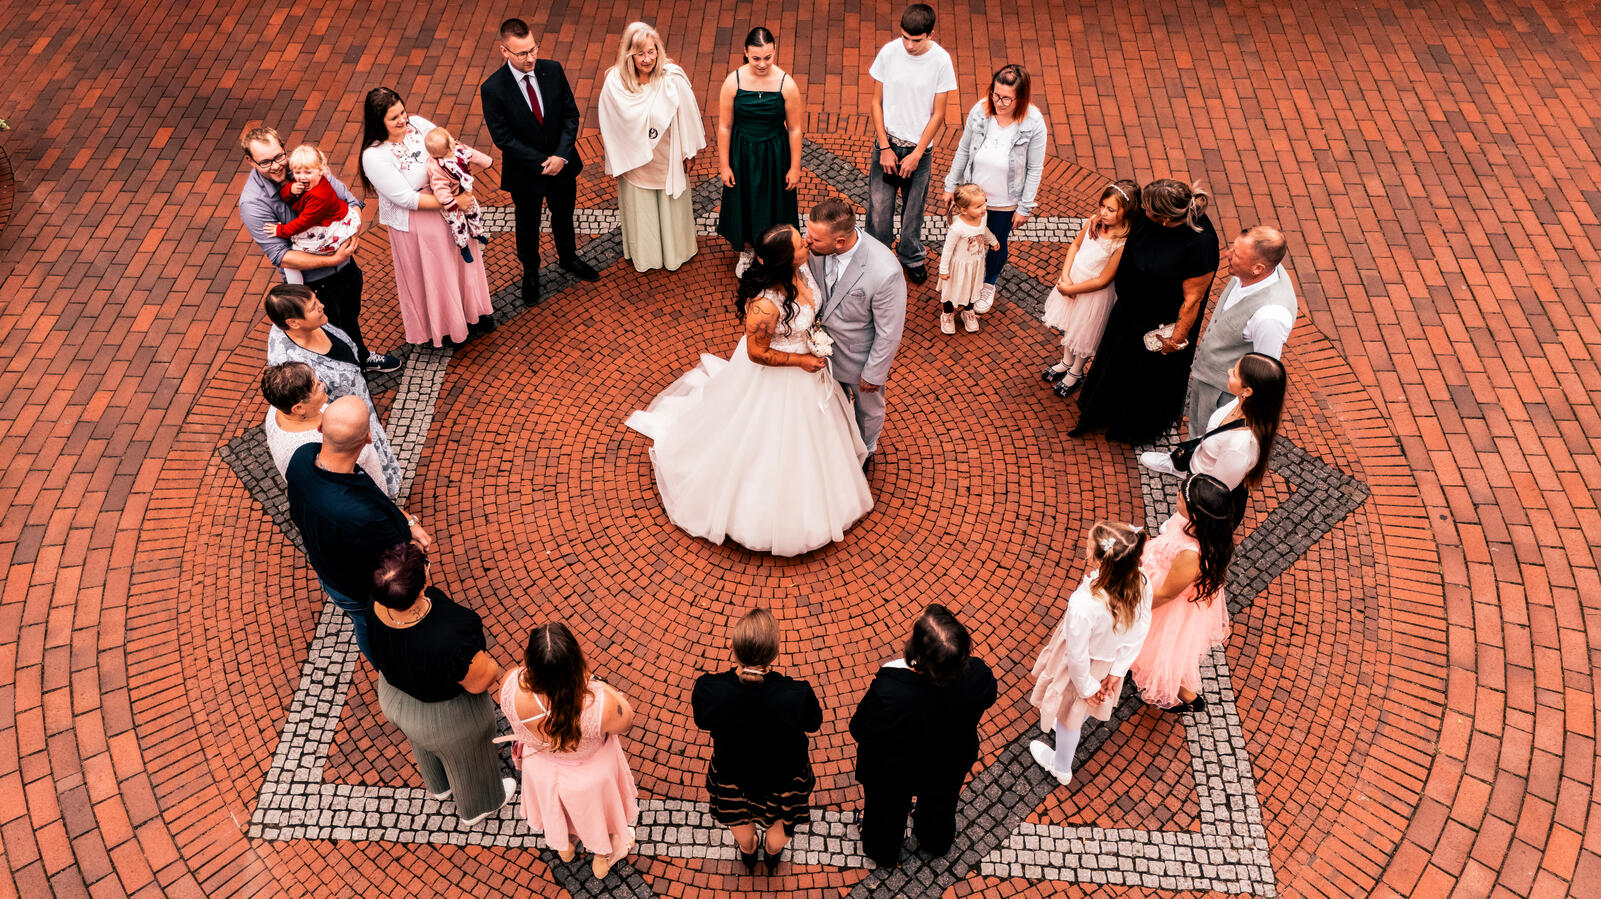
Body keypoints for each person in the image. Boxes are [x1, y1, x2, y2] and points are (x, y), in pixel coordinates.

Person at [625, 224, 873, 556]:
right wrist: (800, 361)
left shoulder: (802, 270)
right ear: (785, 261)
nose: (807, 245)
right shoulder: (765, 305)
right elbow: (757, 353)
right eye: (801, 245)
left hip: (808, 369)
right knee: (764, 440)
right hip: (776, 375)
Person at [368, 542, 515, 825]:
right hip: (446, 718)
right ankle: (480, 805)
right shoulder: (451, 632)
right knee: (470, 759)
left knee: (422, 742)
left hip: (396, 696)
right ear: (421, 587)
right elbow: (480, 681)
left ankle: (439, 786)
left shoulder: (375, 605)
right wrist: (494, 666)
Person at [237, 125, 399, 373]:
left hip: (346, 267)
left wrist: (350, 230)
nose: (278, 166)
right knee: (330, 335)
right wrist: (332, 258)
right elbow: (282, 256)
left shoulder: (305, 165)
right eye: (265, 162)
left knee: (350, 318)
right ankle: (350, 378)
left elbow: (350, 201)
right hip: (314, 284)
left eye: (280, 156)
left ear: (284, 147)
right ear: (250, 161)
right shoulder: (253, 203)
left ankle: (362, 357)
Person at [284, 396, 432, 661]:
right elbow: (399, 560)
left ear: (320, 430)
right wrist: (417, 548)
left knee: (360, 623)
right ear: (367, 438)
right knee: (371, 627)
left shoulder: (301, 458)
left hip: (329, 573)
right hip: (360, 590)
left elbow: (370, 497)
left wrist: (409, 521)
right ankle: (387, 666)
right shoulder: (366, 518)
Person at [1071, 179, 1219, 443]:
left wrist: (1174, 340)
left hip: (1158, 326)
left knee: (1144, 379)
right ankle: (1102, 410)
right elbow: (1125, 213)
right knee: (1115, 365)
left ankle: (1133, 427)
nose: (1141, 210)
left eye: (1147, 209)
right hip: (1128, 313)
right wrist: (1099, 220)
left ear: (1163, 218)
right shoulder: (1147, 216)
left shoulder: (1200, 245)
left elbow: (1192, 300)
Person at [850, 603, 997, 868]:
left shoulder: (890, 689)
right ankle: (935, 841)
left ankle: (883, 851)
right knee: (941, 803)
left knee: (885, 811)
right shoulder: (978, 676)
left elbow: (859, 728)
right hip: (948, 760)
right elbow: (987, 698)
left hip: (895, 770)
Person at [358, 87, 495, 348]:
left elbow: (449, 147)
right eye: (393, 118)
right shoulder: (374, 156)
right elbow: (406, 199)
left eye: (402, 112)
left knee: (464, 261)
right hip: (419, 219)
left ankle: (473, 313)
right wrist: (454, 202)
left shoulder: (419, 124)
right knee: (438, 272)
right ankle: (446, 327)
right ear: (379, 122)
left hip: (449, 205)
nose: (403, 120)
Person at [500, 623, 639, 880]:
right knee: (601, 816)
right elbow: (627, 720)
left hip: (541, 769)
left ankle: (565, 846)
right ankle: (601, 858)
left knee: (560, 808)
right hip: (590, 775)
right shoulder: (597, 703)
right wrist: (596, 683)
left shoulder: (509, 685)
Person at [691, 609, 822, 874]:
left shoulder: (709, 690)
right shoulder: (797, 694)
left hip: (733, 775)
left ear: (733, 647)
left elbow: (703, 722)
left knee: (743, 834)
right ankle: (772, 857)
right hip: (785, 779)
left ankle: (749, 853)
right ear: (774, 653)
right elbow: (814, 723)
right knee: (779, 833)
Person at [480, 17, 600, 306]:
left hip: (562, 164)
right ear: (504, 51)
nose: (530, 58)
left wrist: (560, 156)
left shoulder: (553, 70)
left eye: (533, 49)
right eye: (522, 53)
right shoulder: (493, 88)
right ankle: (531, 272)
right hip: (526, 172)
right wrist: (543, 162)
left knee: (564, 215)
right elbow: (503, 138)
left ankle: (568, 257)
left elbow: (571, 116)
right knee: (527, 223)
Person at [1026, 521, 1152, 786]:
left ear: (1099, 559)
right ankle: (1063, 758)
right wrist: (1118, 671)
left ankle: (1060, 766)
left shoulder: (1084, 603)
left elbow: (1077, 653)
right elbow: (1140, 629)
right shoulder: (1142, 582)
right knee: (1079, 713)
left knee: (1069, 718)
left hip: (1082, 668)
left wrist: (1086, 687)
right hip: (1107, 663)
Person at [264, 284, 402, 496]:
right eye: (312, 307)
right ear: (293, 322)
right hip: (343, 422)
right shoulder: (292, 365)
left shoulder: (317, 321)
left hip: (359, 402)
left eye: (316, 300)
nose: (321, 306)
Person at [597, 22, 707, 273]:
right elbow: (612, 124)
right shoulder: (615, 82)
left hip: (667, 157)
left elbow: (687, 115)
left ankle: (676, 252)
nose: (647, 59)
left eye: (651, 51)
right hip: (636, 163)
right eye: (640, 53)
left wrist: (688, 153)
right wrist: (621, 156)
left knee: (672, 207)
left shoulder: (672, 78)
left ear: (658, 50)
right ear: (629, 55)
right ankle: (646, 254)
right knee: (642, 211)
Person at [803, 198, 908, 459]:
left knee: (867, 411)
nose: (807, 240)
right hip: (819, 355)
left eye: (814, 238)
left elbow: (889, 330)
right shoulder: (818, 250)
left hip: (859, 360)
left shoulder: (885, 271)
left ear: (839, 242)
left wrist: (874, 373)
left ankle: (865, 451)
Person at [940, 63, 1048, 313]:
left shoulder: (1033, 123)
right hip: (971, 195)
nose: (999, 102)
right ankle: (963, 280)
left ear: (1020, 98)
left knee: (997, 243)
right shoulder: (980, 111)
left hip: (1005, 201)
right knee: (966, 240)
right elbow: (964, 149)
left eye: (1007, 98)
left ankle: (987, 283)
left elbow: (1035, 168)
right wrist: (951, 184)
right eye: (996, 95)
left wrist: (1024, 207)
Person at [1129, 473, 1238, 714]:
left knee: (1155, 653)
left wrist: (1136, 608)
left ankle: (1184, 695)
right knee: (1142, 646)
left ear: (1196, 514)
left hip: (1161, 603)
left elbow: (1167, 593)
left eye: (1182, 496)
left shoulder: (1191, 555)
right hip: (1154, 577)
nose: (1178, 495)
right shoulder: (1188, 521)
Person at [865, 3, 957, 283]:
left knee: (913, 211)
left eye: (915, 40)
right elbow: (875, 102)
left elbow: (938, 113)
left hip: (919, 152)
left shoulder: (941, 61)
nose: (908, 45)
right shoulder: (889, 53)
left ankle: (910, 256)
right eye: (904, 37)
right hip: (888, 144)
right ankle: (877, 257)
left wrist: (918, 153)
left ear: (930, 34)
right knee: (879, 208)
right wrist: (883, 147)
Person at [1140, 353, 1287, 522]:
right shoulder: (1242, 403)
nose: (1229, 371)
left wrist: (1185, 517)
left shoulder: (1238, 447)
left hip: (1204, 481)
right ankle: (1178, 466)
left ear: (1247, 390)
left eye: (1235, 373)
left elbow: (1214, 490)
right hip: (1200, 463)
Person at [1182, 226, 1297, 432]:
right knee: (1196, 425)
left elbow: (1263, 371)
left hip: (1224, 391)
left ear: (1257, 269)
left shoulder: (1270, 316)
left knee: (1207, 436)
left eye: (1236, 254)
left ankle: (1190, 464)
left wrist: (1238, 407)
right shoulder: (1256, 270)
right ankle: (1181, 461)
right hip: (1207, 377)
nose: (1227, 254)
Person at [716, 27, 803, 272]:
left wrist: (795, 167)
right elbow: (724, 126)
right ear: (745, 53)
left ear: (774, 53)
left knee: (775, 202)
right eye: (756, 58)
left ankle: (775, 250)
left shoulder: (787, 84)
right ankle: (747, 250)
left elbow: (795, 129)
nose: (762, 63)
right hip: (742, 152)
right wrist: (724, 165)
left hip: (775, 153)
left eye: (768, 57)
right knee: (744, 200)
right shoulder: (733, 81)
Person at [1041, 180, 1136, 396]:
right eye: (1102, 206)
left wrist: (1073, 289)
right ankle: (1066, 361)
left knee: (1085, 332)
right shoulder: (1093, 221)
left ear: (1126, 212)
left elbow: (1104, 279)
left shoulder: (1121, 242)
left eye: (1111, 210)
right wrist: (1065, 277)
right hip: (1073, 279)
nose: (1103, 212)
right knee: (1070, 324)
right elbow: (1075, 245)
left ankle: (1076, 371)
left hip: (1092, 292)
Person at [260, 362, 392, 496]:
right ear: (298, 408)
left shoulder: (279, 407)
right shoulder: (309, 447)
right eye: (317, 386)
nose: (323, 385)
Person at [258, 144, 364, 255]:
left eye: (308, 172)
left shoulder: (319, 196)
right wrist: (290, 190)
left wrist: (281, 230)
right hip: (320, 217)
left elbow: (304, 222)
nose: (302, 177)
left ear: (320, 171)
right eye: (297, 172)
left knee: (300, 247)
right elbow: (284, 196)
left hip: (332, 224)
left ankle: (340, 247)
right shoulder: (309, 182)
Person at [423, 126, 493, 263]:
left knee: (474, 211)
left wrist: (488, 162)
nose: (454, 144)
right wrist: (452, 203)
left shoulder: (457, 148)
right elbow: (440, 188)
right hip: (452, 200)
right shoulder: (437, 168)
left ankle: (477, 232)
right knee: (457, 224)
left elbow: (472, 154)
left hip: (465, 193)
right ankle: (463, 246)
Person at [937, 183, 1000, 334]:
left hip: (975, 264)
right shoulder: (957, 228)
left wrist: (992, 240)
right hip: (958, 267)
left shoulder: (982, 217)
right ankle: (947, 314)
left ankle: (968, 311)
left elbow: (983, 230)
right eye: (978, 206)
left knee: (973, 288)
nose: (984, 208)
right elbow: (947, 250)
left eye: (984, 203)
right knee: (952, 290)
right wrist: (943, 269)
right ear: (964, 210)